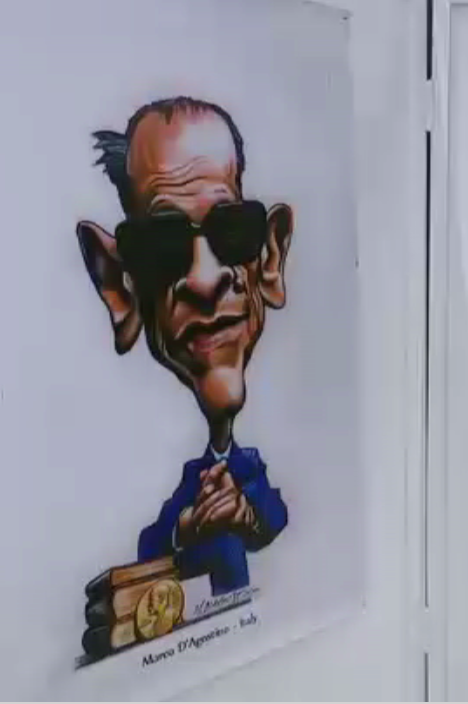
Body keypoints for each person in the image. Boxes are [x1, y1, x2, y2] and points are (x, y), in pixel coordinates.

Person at [75, 97, 291, 595]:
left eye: (231, 230)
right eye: (162, 247)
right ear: (120, 285)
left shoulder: (250, 471)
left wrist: (247, 515)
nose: (204, 279)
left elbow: (275, 515)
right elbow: (153, 541)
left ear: (269, 255)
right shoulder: (180, 481)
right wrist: (185, 530)